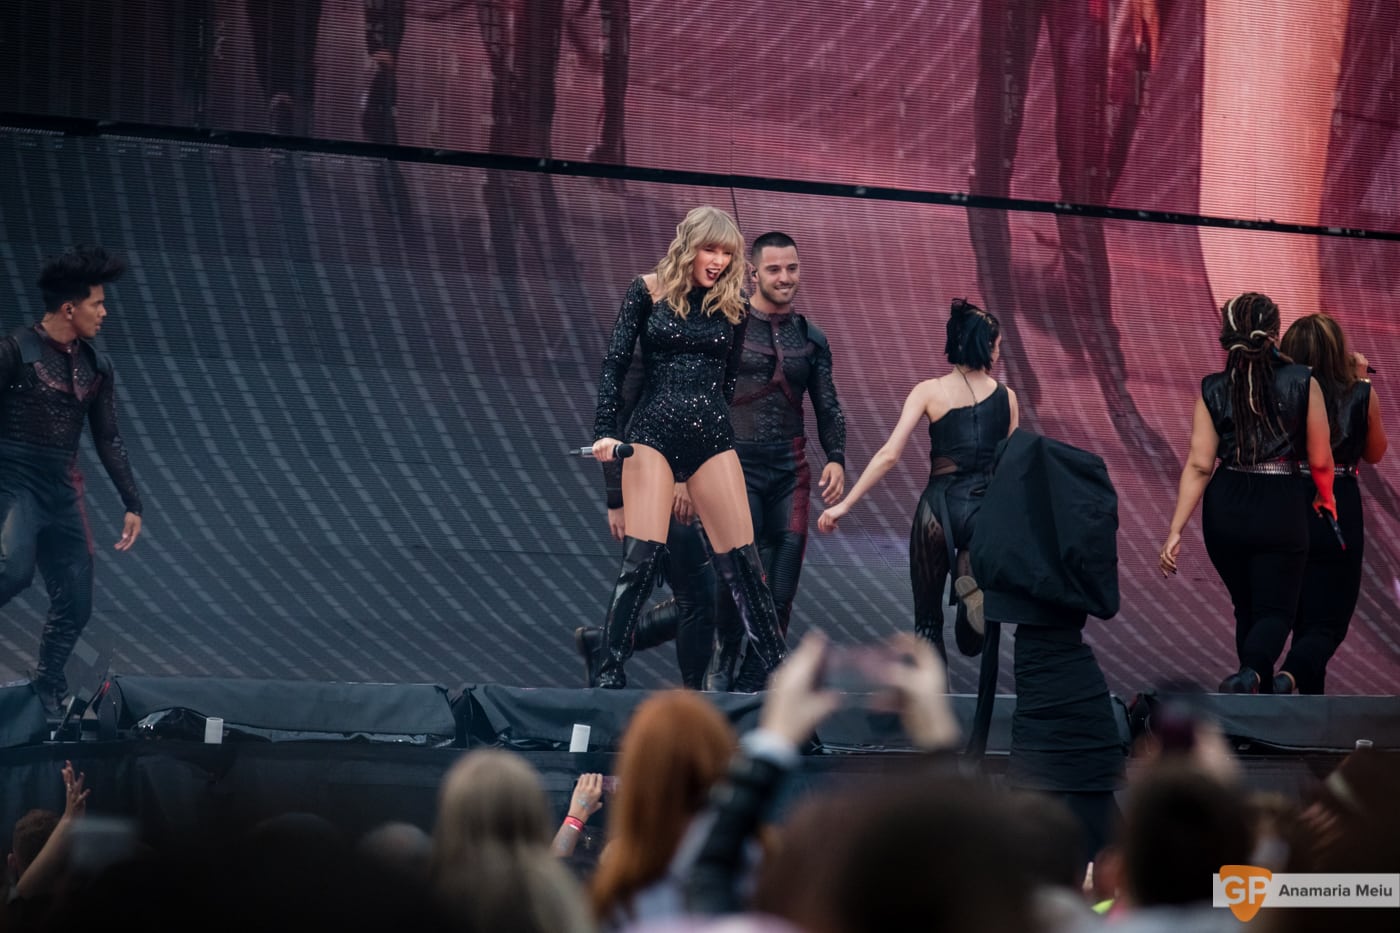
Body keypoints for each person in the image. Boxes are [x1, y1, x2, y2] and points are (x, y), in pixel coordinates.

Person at [591, 206, 787, 689]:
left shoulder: (734, 307)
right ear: (689, 246)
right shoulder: (646, 291)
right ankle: (607, 677)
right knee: (640, 563)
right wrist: (604, 431)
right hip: (653, 431)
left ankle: (782, 687)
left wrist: (695, 468)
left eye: (726, 253)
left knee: (746, 568)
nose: (718, 261)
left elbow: (724, 385)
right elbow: (616, 368)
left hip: (712, 437)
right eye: (710, 249)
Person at [817, 299, 1018, 662]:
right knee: (974, 640)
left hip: (937, 511)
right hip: (984, 513)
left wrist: (844, 505)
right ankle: (973, 599)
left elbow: (889, 455)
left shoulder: (928, 391)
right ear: (985, 347)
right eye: (998, 346)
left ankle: (932, 707)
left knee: (926, 625)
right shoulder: (1008, 398)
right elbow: (1012, 469)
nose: (999, 354)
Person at [1158, 292, 1336, 694]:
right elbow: (1321, 460)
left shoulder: (1212, 388)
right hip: (1281, 502)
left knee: (1249, 608)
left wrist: (1175, 530)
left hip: (1226, 505)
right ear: (1275, 332)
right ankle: (1253, 674)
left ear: (1227, 333)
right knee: (1276, 612)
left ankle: (1251, 694)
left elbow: (1201, 464)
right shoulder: (1303, 381)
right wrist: (1326, 497)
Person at [2, 247, 143, 715]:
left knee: (77, 603)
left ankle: (47, 690)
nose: (103, 314)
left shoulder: (97, 367)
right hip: (14, 481)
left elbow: (109, 438)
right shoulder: (15, 350)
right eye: (96, 304)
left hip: (63, 490)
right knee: (11, 570)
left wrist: (132, 502)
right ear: (69, 308)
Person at [707, 231, 847, 692]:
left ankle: (751, 687)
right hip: (735, 469)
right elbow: (703, 397)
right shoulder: (727, 324)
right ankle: (725, 658)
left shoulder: (812, 337)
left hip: (792, 474)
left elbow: (828, 405)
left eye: (791, 268)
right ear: (752, 272)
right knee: (741, 578)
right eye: (774, 269)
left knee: (781, 590)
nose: (785, 277)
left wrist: (837, 459)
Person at [1275, 314, 1387, 694]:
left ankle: (1297, 698)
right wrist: (1361, 383)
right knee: (1327, 622)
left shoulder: (1281, 390)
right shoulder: (1360, 392)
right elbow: (1375, 452)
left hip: (1287, 499)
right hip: (1338, 502)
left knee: (1295, 610)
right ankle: (1289, 677)